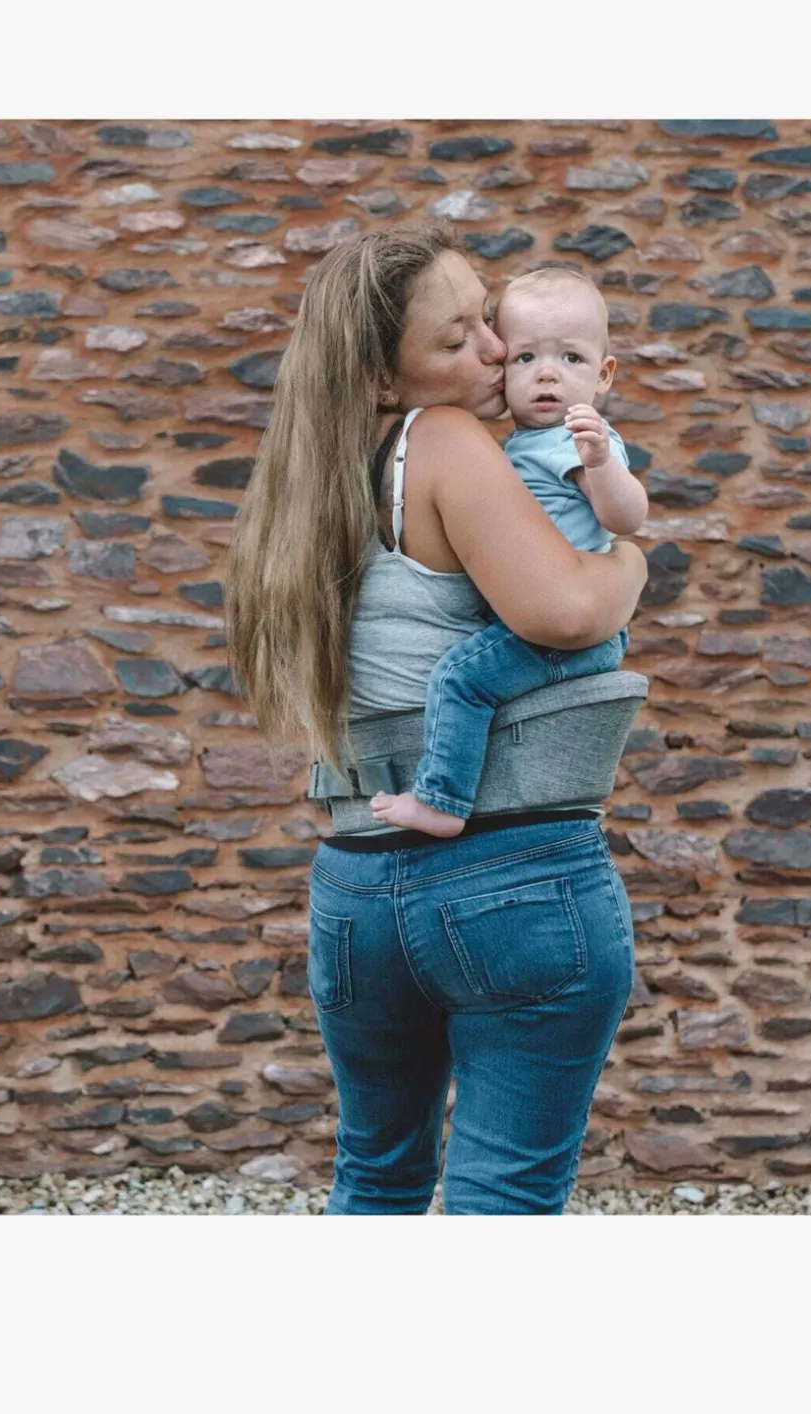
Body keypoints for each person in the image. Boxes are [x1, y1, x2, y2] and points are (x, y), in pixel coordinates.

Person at [225, 223, 647, 1214]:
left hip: (356, 880)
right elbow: (563, 613)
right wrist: (631, 561)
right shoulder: (445, 438)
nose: (498, 353)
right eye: (458, 340)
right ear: (383, 375)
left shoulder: (310, 477)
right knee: (502, 1195)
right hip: (510, 874)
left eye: (486, 321)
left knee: (375, 1179)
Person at [369, 266, 649, 837]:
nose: (546, 373)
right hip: (544, 630)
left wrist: (601, 467)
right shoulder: (515, 445)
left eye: (571, 358)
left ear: (603, 375)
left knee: (461, 679)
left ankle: (443, 800)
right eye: (525, 358)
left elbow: (626, 518)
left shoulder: (576, 437)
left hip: (565, 638)